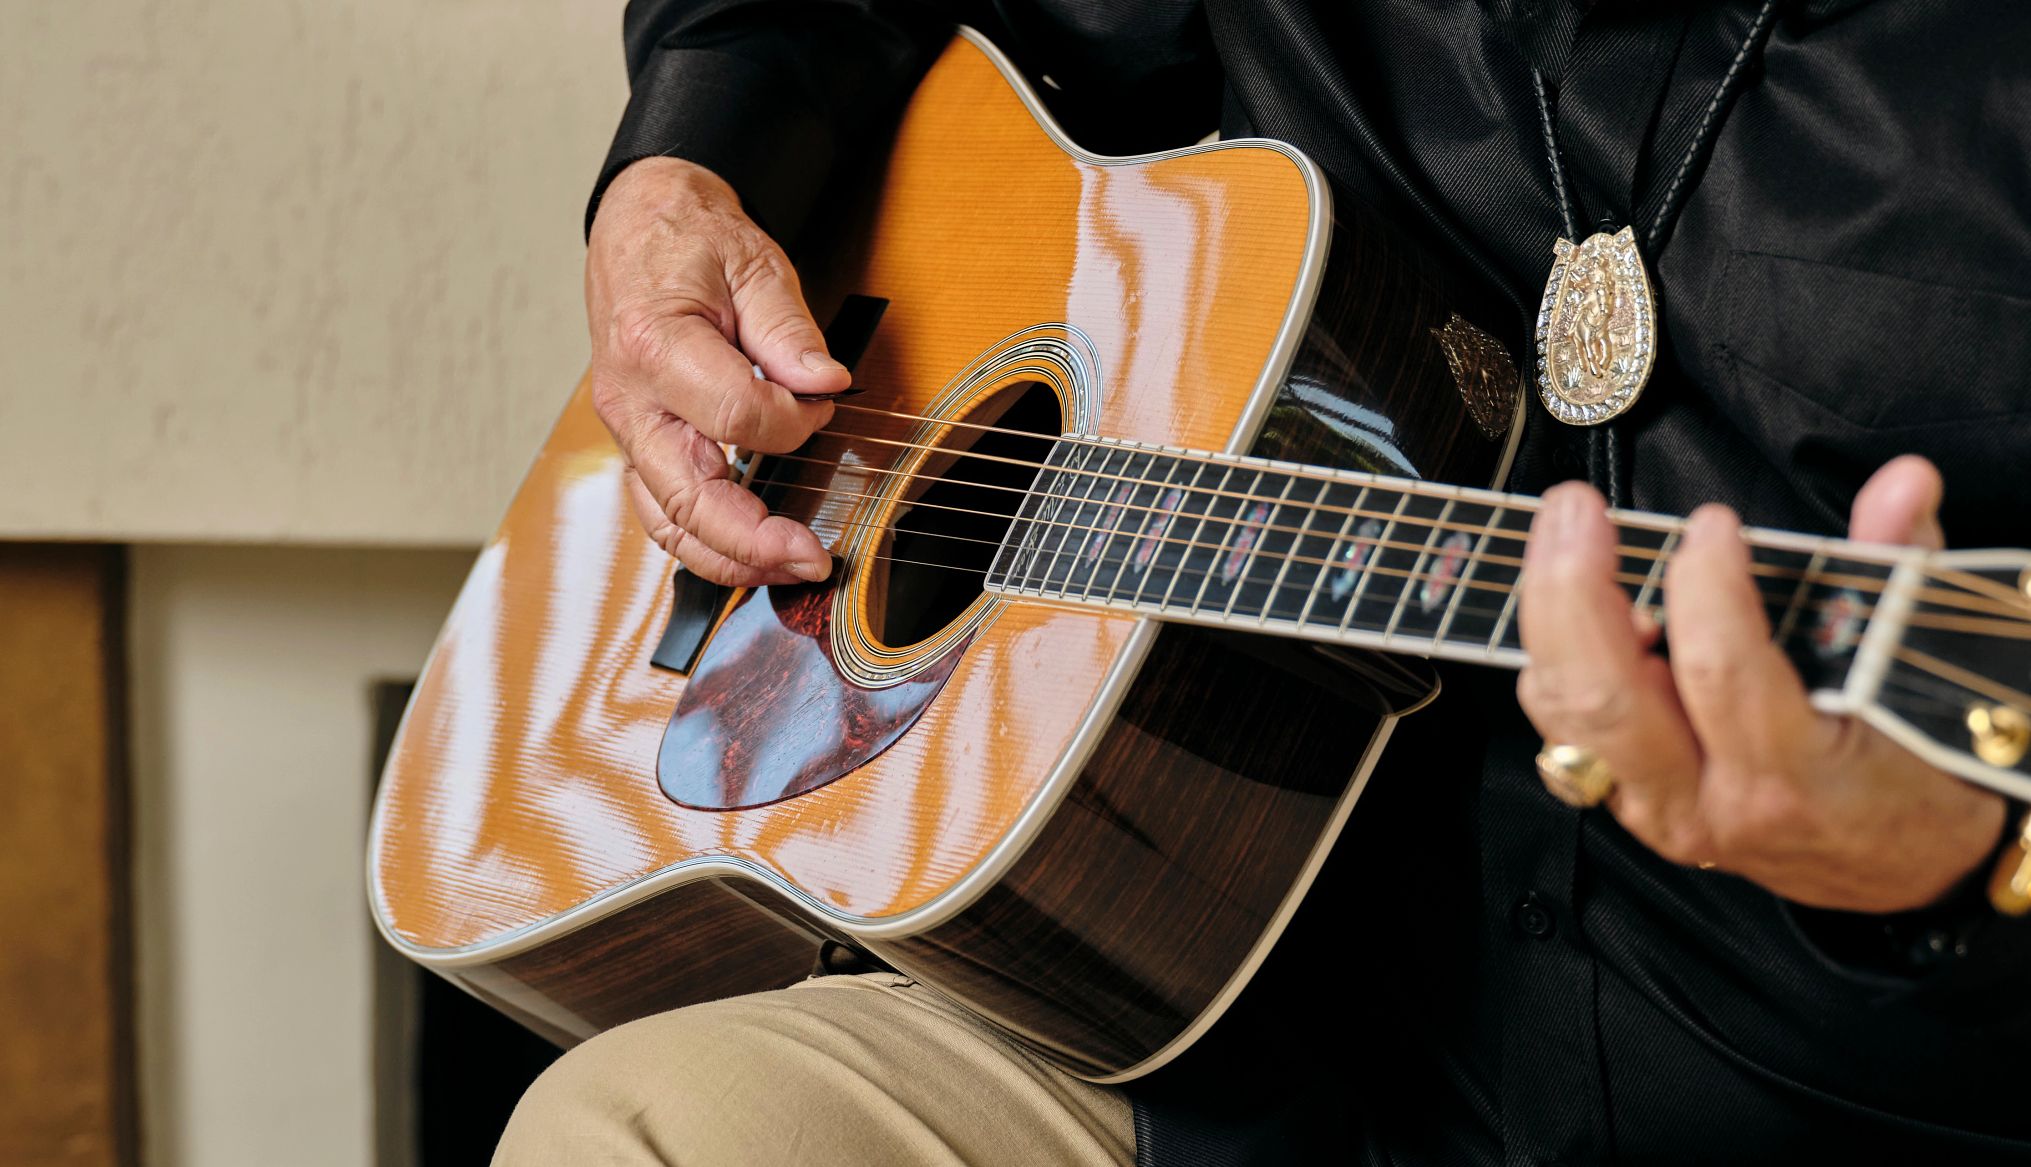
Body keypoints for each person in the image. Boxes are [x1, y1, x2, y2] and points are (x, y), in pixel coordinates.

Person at [496, 1, 2031, 1162]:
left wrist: (1972, 860)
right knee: (645, 1131)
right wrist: (680, 176)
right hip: (1183, 1018)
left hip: (1838, 1085)